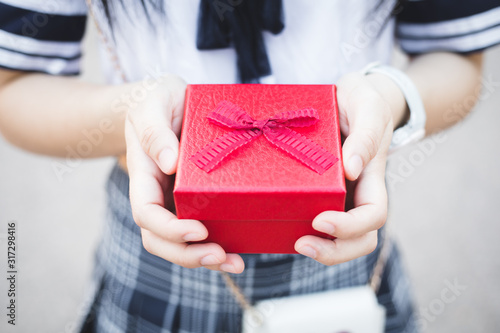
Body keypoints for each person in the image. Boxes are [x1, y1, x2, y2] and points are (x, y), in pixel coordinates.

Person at [0, 0, 499, 332]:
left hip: (344, 241)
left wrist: (387, 101)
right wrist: (136, 111)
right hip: (157, 243)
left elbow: (455, 57)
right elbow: (15, 87)